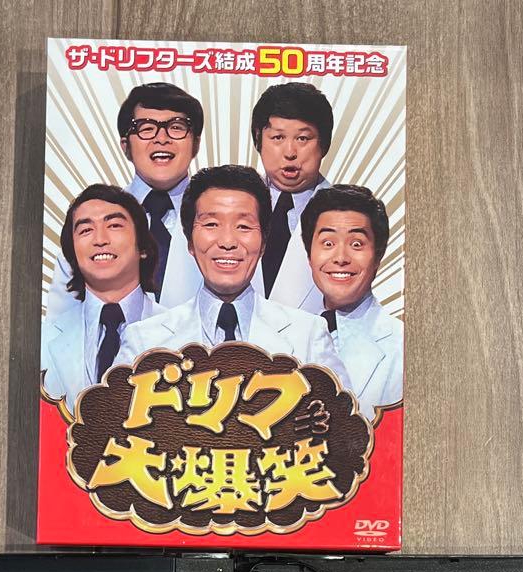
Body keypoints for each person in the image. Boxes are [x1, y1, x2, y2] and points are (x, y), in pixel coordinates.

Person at [116, 165, 347, 380]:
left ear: (263, 242)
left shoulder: (309, 335)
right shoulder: (144, 340)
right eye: (211, 225)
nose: (227, 242)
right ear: (189, 241)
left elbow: (344, 411)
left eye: (243, 226)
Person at [44, 82, 204, 318]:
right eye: (146, 128)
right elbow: (61, 323)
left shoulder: (221, 218)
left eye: (176, 127)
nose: (162, 138)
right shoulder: (90, 220)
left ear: (196, 144)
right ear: (125, 146)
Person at [41, 184, 163, 413]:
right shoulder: (41, 340)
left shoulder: (185, 333)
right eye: (85, 230)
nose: (100, 239)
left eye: (114, 225)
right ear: (72, 253)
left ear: (143, 247)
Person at [300, 184, 404, 418]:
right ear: (309, 255)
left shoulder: (403, 346)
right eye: (328, 243)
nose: (340, 258)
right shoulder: (286, 337)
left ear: (378, 256)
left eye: (356, 244)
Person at [250, 82, 334, 312]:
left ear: (324, 144)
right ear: (258, 139)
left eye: (303, 139)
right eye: (277, 137)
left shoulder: (349, 215)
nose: (290, 152)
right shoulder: (230, 202)